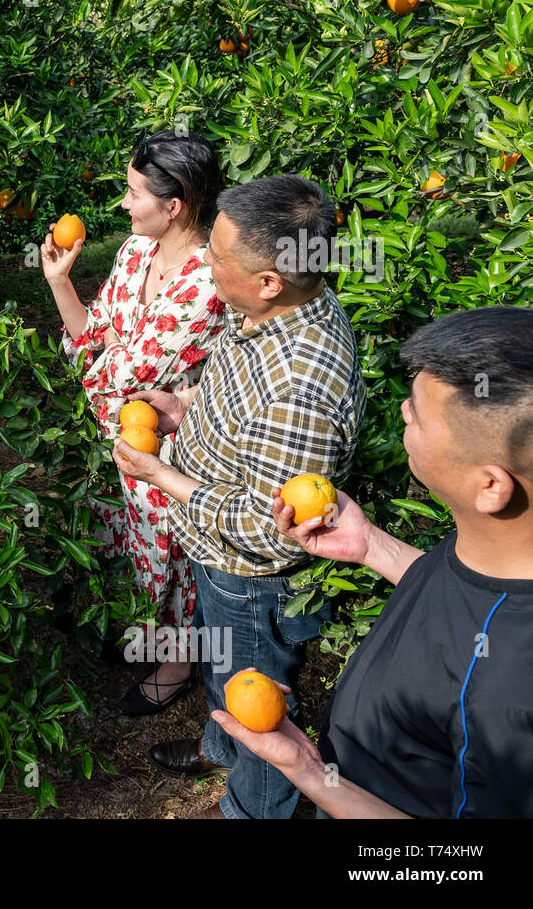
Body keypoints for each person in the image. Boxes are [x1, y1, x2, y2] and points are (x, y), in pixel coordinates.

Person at [213, 306, 533, 818]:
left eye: (420, 416)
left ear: (490, 486)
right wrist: (369, 545)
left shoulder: (509, 696)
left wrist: (308, 773)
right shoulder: (499, 550)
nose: (405, 412)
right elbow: (466, 609)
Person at [113, 173, 366, 819]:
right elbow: (238, 386)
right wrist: (184, 405)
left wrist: (163, 476)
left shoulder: (301, 386)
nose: (207, 265)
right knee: (226, 678)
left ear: (268, 280)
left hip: (249, 576)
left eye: (219, 260)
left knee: (259, 706)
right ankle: (221, 749)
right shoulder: (273, 310)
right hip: (215, 551)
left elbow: (265, 525)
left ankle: (253, 806)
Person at [41, 129, 227, 714]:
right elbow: (92, 336)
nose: (123, 203)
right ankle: (129, 626)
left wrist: (99, 360)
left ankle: (177, 663)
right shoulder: (133, 251)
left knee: (170, 549)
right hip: (117, 429)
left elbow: (118, 369)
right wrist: (59, 282)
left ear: (174, 207)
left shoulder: (207, 282)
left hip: (168, 445)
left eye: (133, 192)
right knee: (120, 532)